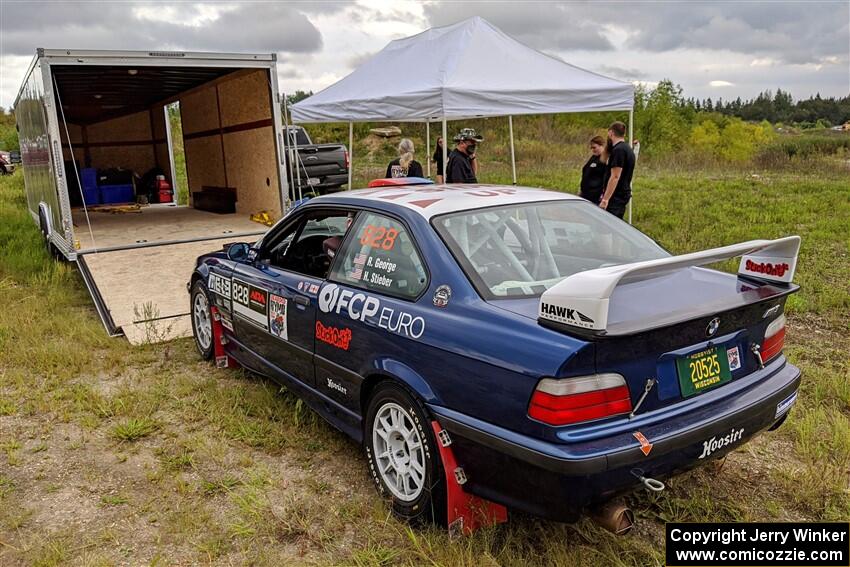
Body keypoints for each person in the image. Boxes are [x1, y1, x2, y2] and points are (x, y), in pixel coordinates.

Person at [599, 121, 635, 219]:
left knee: (606, 227)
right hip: (621, 194)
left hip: (616, 196)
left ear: (611, 133)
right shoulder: (627, 149)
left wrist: (605, 199)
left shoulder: (619, 150)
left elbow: (615, 176)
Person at [579, 135, 607, 204]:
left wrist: (603, 196)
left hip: (596, 196)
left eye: (594, 147)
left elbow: (607, 177)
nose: (592, 150)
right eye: (591, 148)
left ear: (602, 145)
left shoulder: (606, 159)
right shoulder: (594, 157)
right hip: (586, 194)